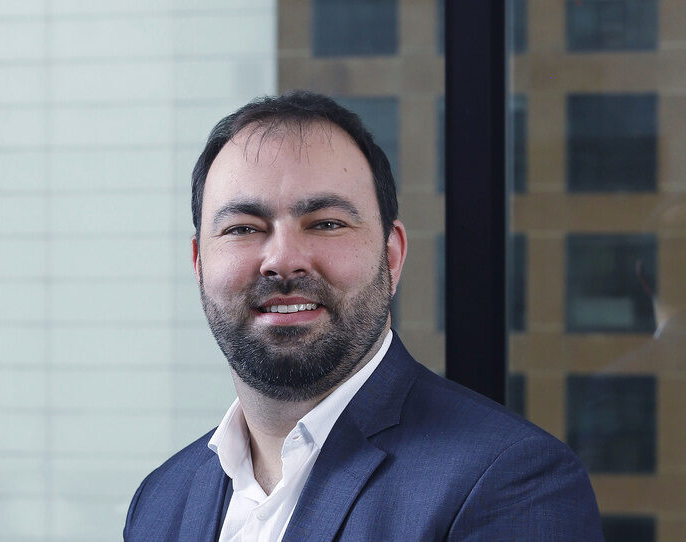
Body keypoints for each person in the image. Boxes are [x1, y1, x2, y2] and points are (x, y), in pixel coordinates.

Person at [124, 91, 604, 541]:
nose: (283, 260)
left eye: (326, 224)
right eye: (243, 228)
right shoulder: (161, 502)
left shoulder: (511, 483)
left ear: (391, 256)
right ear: (199, 264)